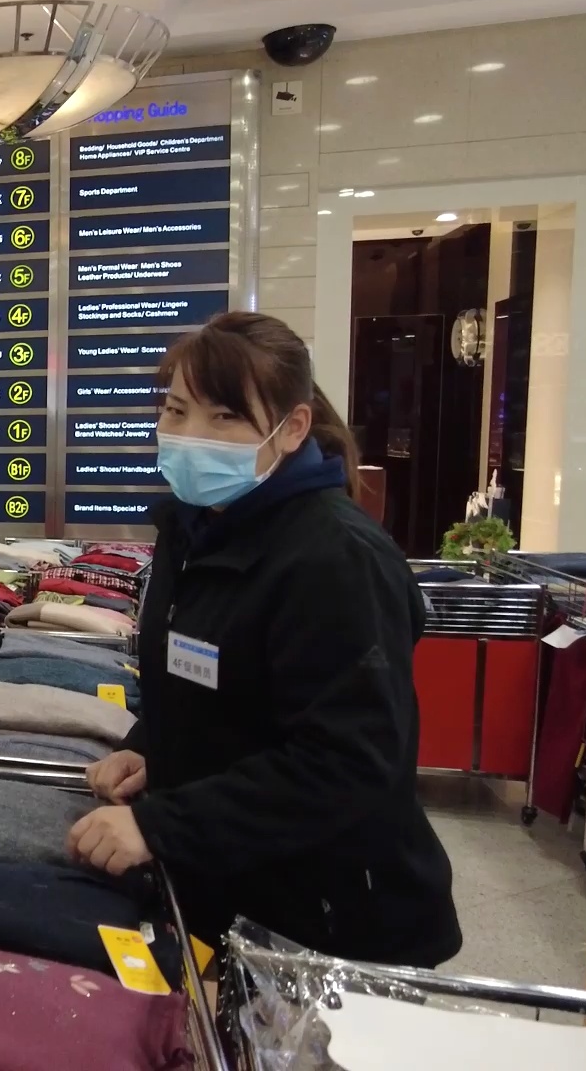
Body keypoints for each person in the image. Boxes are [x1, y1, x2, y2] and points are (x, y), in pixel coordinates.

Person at [71, 311, 461, 967]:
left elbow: (346, 760)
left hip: (334, 923)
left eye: (225, 417)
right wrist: (151, 750)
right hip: (232, 885)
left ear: (294, 428)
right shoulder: (192, 531)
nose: (190, 434)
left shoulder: (336, 558)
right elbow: (216, 686)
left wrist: (161, 825)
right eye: (176, 410)